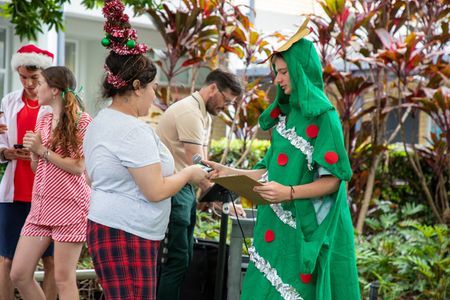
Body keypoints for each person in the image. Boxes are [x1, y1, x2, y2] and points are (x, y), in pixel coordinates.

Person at [205, 22, 360, 300]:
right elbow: (268, 169)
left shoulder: (325, 117)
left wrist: (287, 192)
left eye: (284, 72)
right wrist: (226, 171)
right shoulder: (285, 117)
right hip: (274, 226)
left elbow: (334, 180)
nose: (278, 80)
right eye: (277, 72)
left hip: (305, 230)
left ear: (302, 69)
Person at [83, 1, 207, 299]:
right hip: (127, 233)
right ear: (137, 86)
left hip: (114, 228)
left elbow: (92, 177)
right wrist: (190, 172)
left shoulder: (101, 121)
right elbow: (155, 190)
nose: (155, 95)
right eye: (153, 88)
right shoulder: (131, 130)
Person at [156, 69, 243, 300]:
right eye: (225, 100)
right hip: (175, 191)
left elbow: (203, 167)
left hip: (183, 189)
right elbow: (197, 162)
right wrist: (220, 197)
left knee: (182, 260)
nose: (225, 107)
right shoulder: (189, 112)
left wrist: (215, 194)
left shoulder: (200, 112)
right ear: (213, 88)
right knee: (176, 261)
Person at [10, 66, 92, 300]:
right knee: (19, 274)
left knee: (63, 280)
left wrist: (41, 150)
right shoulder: (44, 120)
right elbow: (38, 169)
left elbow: (78, 167)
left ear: (54, 90)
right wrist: (34, 153)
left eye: (41, 82)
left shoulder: (83, 121)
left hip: (70, 207)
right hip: (40, 207)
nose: (35, 86)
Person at [0, 44, 57, 300]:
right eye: (23, 76)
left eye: (34, 78)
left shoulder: (56, 106)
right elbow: (1, 141)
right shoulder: (8, 101)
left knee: (52, 262)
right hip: (15, 192)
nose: (28, 83)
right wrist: (6, 153)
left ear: (45, 75)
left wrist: (40, 150)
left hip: (48, 195)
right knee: (5, 261)